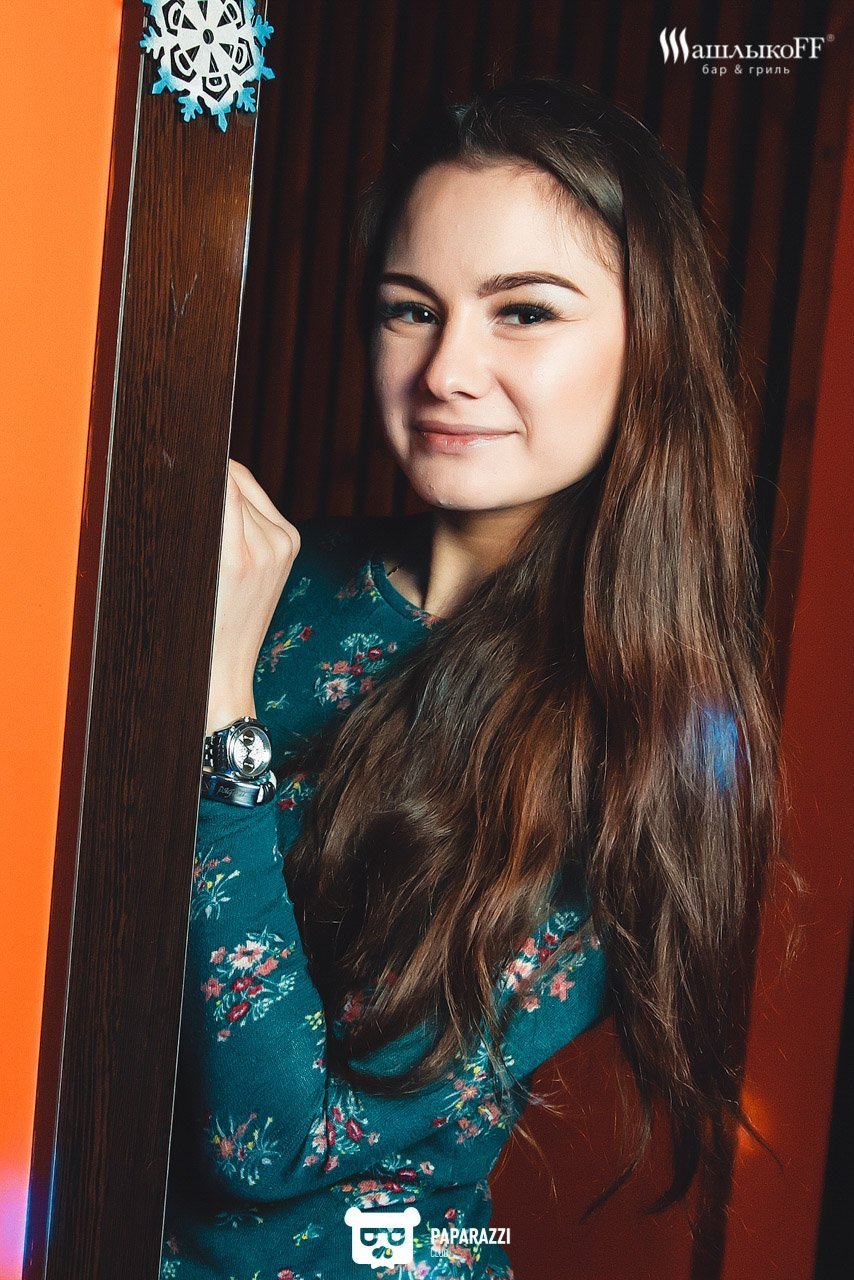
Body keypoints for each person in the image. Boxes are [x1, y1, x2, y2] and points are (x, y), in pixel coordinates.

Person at [160, 78, 778, 1279]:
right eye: (410, 308)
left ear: (648, 345)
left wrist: (220, 724)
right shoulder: (271, 570)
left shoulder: (642, 737)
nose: (446, 368)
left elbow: (275, 1143)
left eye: (523, 311)